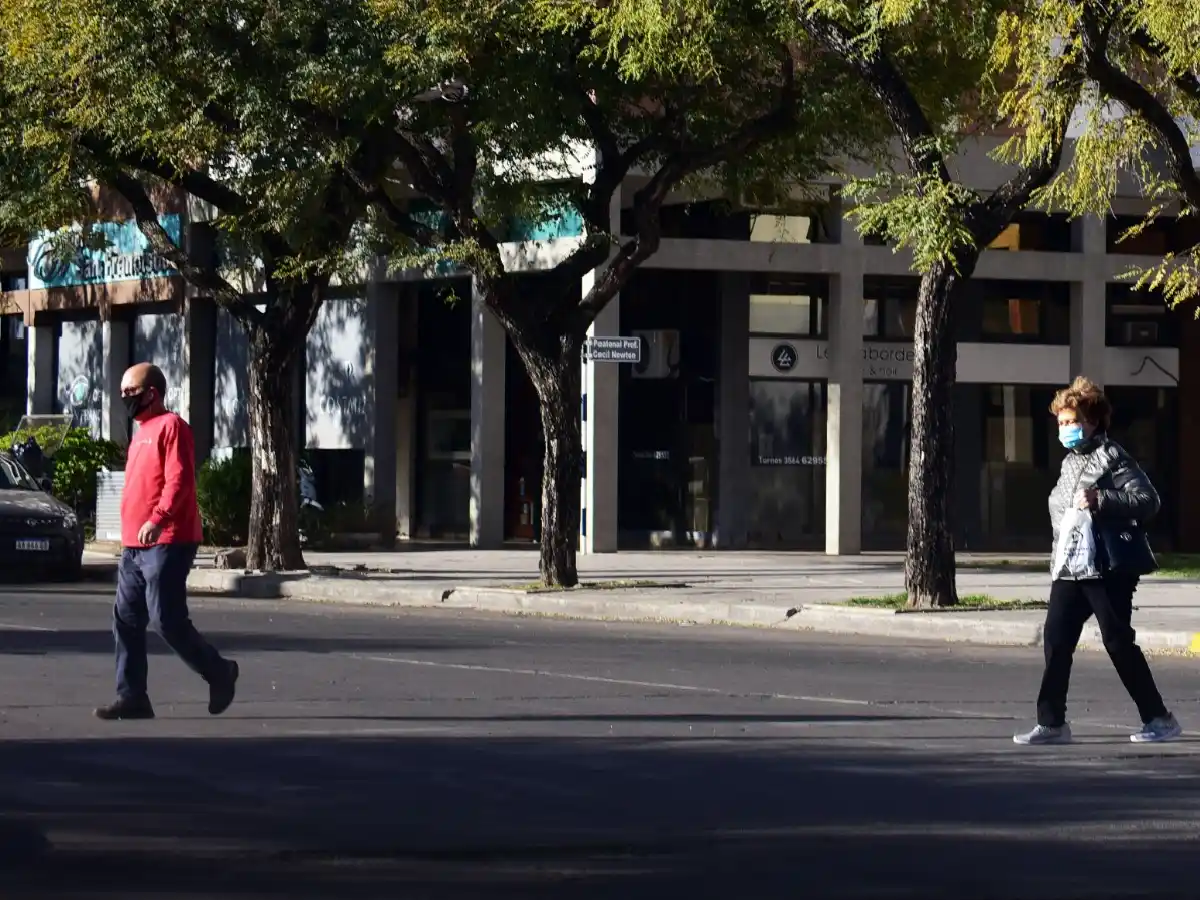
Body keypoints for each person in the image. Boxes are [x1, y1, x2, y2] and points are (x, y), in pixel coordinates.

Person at [1014, 376, 1181, 745]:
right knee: (1056, 639)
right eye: (1061, 423)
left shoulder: (1113, 457)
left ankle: (1159, 717)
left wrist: (1102, 499)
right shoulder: (1069, 463)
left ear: (1093, 421)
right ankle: (1052, 722)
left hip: (1106, 567)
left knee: (1118, 641)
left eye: (1072, 421)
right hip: (1071, 567)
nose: (1066, 429)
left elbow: (1148, 500)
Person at [94, 362, 239, 721]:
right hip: (134, 545)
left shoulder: (172, 426)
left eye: (130, 392)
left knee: (166, 620)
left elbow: (179, 481)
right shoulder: (140, 431)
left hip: (168, 540)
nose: (125, 399)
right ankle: (132, 697)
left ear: (151, 394)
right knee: (126, 620)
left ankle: (219, 671)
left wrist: (157, 520)